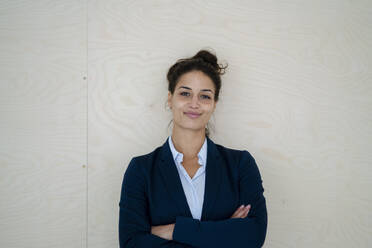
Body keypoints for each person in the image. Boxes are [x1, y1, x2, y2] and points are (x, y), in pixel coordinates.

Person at [118, 49, 268, 247]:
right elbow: (132, 244)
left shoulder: (240, 165)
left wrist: (174, 230)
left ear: (214, 103)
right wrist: (224, 233)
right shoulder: (141, 169)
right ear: (170, 99)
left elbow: (252, 237)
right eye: (185, 93)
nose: (194, 104)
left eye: (205, 96)